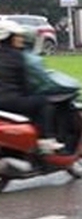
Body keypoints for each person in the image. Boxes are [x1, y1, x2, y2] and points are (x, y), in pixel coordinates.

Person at [0, 19, 62, 152]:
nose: (20, 39)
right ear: (9, 37)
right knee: (44, 102)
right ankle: (45, 140)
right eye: (17, 36)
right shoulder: (17, 56)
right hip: (11, 101)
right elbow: (25, 83)